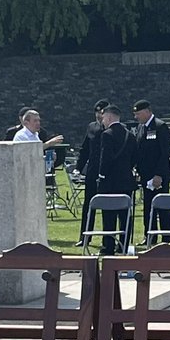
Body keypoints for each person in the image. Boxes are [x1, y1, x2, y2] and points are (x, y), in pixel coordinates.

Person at [94, 104, 137, 254]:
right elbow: (134, 157)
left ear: (109, 117)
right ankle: (124, 245)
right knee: (125, 216)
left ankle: (109, 246)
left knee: (109, 216)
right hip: (126, 180)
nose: (102, 120)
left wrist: (101, 175)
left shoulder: (107, 135)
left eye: (104, 117)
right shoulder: (129, 135)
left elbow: (105, 159)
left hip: (110, 181)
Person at [132, 99, 170, 244]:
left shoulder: (160, 126)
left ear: (147, 111)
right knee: (148, 208)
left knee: (163, 207)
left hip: (158, 175)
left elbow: (165, 152)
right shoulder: (140, 128)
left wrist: (159, 174)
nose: (136, 117)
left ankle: (168, 238)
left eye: (138, 113)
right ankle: (150, 236)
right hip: (145, 175)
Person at [73, 99, 108, 244]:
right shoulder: (92, 127)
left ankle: (108, 239)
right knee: (88, 206)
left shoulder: (114, 128)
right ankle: (85, 237)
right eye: (97, 113)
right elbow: (85, 149)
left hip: (108, 174)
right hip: (92, 173)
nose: (99, 116)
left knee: (108, 206)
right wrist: (78, 167)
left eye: (102, 113)